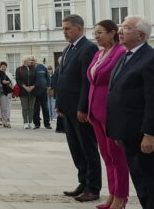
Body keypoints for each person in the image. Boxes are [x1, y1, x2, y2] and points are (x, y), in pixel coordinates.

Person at [107, 16, 154, 209]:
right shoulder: (126, 55)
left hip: (144, 134)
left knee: (153, 182)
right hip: (129, 133)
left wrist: (150, 134)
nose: (119, 31)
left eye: (126, 28)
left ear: (140, 35)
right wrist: (119, 132)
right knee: (141, 182)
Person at [55, 14, 101, 203]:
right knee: (75, 148)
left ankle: (93, 187)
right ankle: (83, 181)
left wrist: (83, 108)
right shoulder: (68, 49)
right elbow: (61, 78)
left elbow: (86, 81)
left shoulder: (88, 48)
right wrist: (59, 104)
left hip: (80, 110)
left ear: (79, 28)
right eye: (63, 28)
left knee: (87, 147)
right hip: (67, 109)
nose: (64, 32)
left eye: (68, 28)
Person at [86, 20, 129, 209]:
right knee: (106, 155)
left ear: (113, 33)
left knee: (117, 156)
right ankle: (112, 193)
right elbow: (92, 80)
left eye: (100, 32)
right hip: (95, 110)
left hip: (111, 111)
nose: (96, 36)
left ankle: (121, 196)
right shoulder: (98, 54)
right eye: (94, 33)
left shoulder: (120, 52)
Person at [15, 56, 37, 129]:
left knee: (31, 108)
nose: (31, 62)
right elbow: (18, 80)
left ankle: (31, 122)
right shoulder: (19, 69)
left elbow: (37, 79)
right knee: (24, 108)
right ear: (25, 61)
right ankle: (25, 122)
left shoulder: (34, 69)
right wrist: (25, 87)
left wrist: (32, 87)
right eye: (30, 60)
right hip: (23, 91)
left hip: (33, 91)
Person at [32, 59, 51, 129]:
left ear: (36, 60)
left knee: (45, 108)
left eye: (33, 60)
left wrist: (49, 86)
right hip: (34, 91)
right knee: (36, 109)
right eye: (31, 60)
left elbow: (48, 77)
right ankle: (36, 124)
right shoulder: (30, 68)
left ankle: (47, 124)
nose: (32, 62)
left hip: (43, 91)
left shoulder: (42, 67)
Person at [0, 61, 14, 128]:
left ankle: (7, 117)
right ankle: (0, 118)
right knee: (0, 106)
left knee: (8, 106)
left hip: (8, 93)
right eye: (2, 67)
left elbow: (12, 83)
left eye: (4, 67)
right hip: (0, 92)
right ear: (0, 67)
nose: (3, 68)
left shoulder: (9, 74)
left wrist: (13, 92)